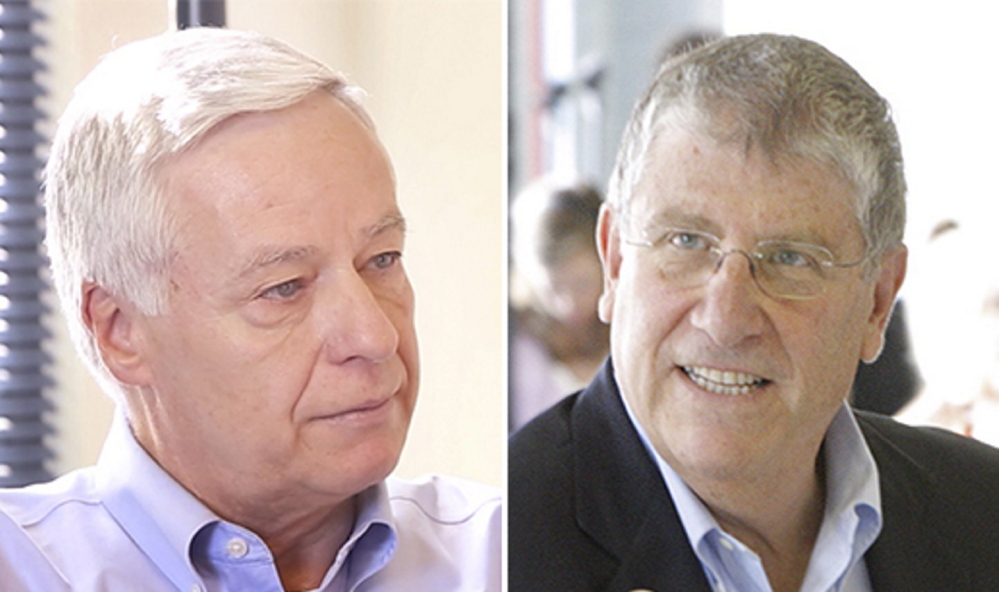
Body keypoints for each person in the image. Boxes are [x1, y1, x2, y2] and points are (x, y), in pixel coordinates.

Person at [0, 28, 500, 591]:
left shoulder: (503, 553)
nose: (375, 335)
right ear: (120, 330)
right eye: (285, 287)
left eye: (381, 259)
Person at [509, 33, 999, 592]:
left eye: (791, 258)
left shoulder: (983, 513)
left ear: (878, 301)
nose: (725, 318)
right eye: (686, 242)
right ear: (616, 262)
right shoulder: (503, 547)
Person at [509, 179, 609, 431]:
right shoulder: (515, 341)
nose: (568, 305)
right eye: (553, 288)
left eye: (582, 284)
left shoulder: (628, 327)